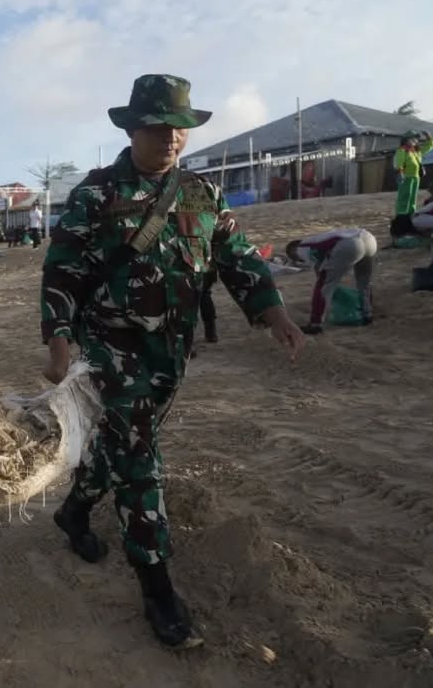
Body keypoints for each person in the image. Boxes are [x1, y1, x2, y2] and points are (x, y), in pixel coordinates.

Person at [41, 74, 305, 650]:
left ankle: (74, 511)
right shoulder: (96, 194)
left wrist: (273, 311)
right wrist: (58, 336)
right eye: (158, 127)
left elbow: (237, 258)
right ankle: (157, 585)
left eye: (179, 128)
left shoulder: (200, 194)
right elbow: (63, 270)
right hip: (113, 347)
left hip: (171, 352)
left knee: (122, 444)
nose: (171, 138)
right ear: (133, 129)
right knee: (141, 460)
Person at [285, 228, 378, 334]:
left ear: (294, 250)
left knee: (323, 286)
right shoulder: (319, 239)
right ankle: (367, 314)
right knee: (364, 281)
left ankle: (315, 324)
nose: (300, 261)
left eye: (297, 259)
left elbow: (320, 270)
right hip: (369, 239)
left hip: (350, 244)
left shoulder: (302, 247)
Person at [393, 131, 433, 216]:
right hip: (406, 177)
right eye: (413, 138)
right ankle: (401, 216)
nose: (415, 140)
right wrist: (400, 173)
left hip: (416, 177)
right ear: (406, 140)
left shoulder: (416, 151)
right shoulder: (402, 150)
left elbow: (429, 146)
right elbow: (399, 163)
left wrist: (429, 137)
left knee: (412, 198)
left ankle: (411, 215)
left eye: (416, 138)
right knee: (405, 197)